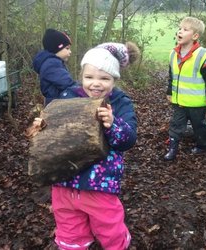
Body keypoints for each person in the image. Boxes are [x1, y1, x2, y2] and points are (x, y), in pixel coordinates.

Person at [51, 42, 140, 249]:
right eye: (89, 77)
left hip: (99, 184)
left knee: (110, 228)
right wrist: (43, 127)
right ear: (81, 76)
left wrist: (112, 123)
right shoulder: (68, 97)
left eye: (104, 78)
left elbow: (128, 140)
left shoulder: (119, 103)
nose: (95, 84)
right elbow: (54, 132)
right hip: (64, 181)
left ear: (114, 80)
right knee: (69, 229)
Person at [164, 16, 206, 161]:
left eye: (185, 29)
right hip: (179, 100)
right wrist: (170, 92)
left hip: (196, 101)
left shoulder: (203, 55)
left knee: (199, 124)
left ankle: (204, 145)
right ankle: (172, 149)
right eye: (180, 28)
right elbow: (172, 76)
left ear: (195, 36)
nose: (180, 31)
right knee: (176, 124)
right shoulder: (173, 54)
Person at [33, 28, 78, 106]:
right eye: (67, 48)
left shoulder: (52, 62)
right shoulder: (51, 64)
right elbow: (66, 83)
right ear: (57, 48)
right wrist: (81, 88)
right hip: (56, 103)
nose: (70, 51)